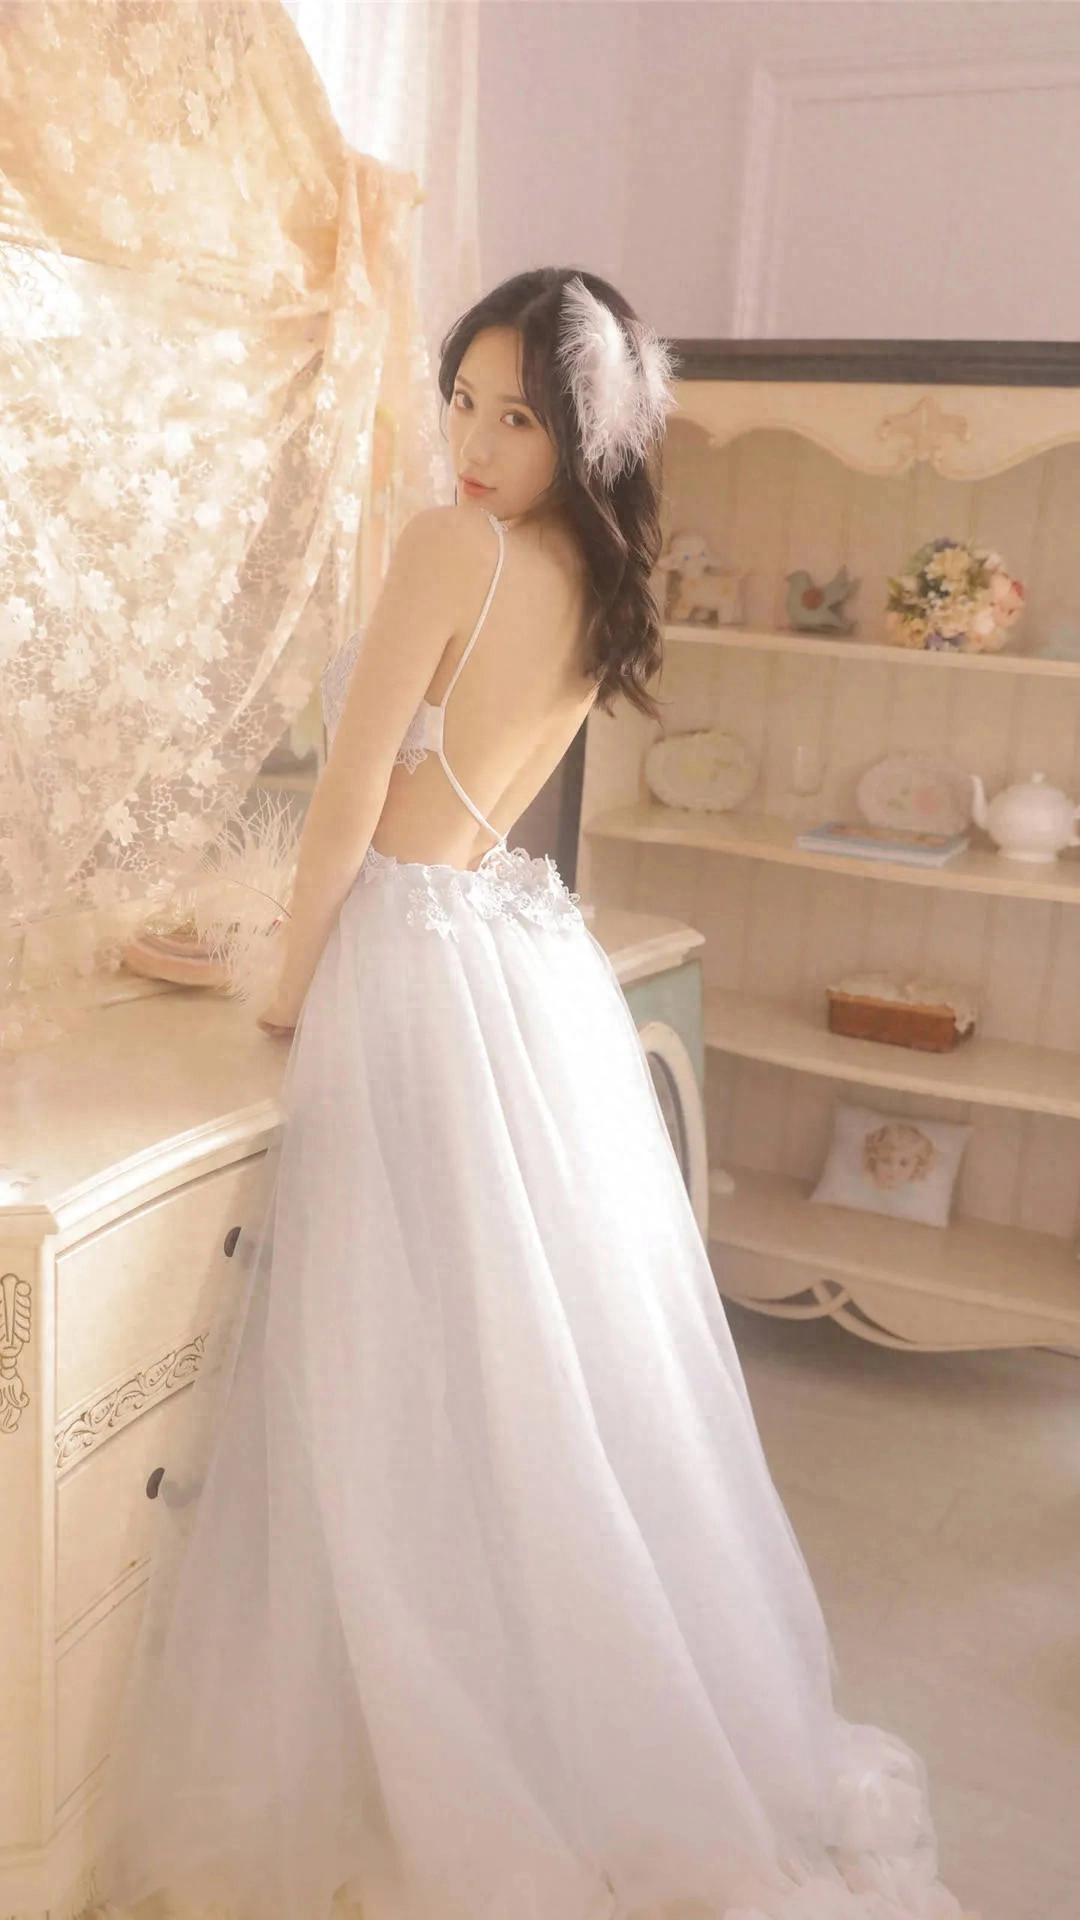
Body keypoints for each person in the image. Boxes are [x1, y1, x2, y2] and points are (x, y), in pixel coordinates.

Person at [87, 269, 974, 1920]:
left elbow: (351, 800)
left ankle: (425, 1737)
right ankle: (545, 1714)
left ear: (585, 434)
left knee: (396, 1374)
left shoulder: (457, 546)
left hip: (407, 954)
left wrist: (284, 988)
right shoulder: (593, 570)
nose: (477, 442)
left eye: (518, 416)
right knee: (526, 1381)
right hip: (515, 950)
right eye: (464, 402)